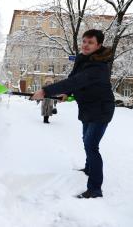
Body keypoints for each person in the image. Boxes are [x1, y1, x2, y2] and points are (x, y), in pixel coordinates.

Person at [31, 29, 114, 199]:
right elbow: (74, 78)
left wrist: (46, 91)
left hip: (101, 110)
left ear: (98, 45)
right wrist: (67, 93)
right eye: (84, 41)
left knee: (92, 146)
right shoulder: (83, 59)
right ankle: (88, 168)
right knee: (86, 140)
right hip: (87, 108)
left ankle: (95, 189)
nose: (85, 45)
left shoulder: (99, 67)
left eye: (90, 42)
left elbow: (77, 81)